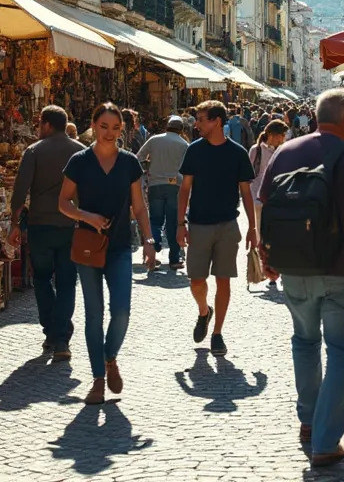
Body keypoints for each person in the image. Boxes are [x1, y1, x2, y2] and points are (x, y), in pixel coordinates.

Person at [258, 87, 344, 469]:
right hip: (340, 269)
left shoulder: (286, 151)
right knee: (339, 351)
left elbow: (267, 207)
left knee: (303, 342)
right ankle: (326, 440)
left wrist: (266, 254)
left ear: (317, 117)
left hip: (295, 270)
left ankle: (307, 420)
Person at [59, 103, 157, 405]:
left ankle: (110, 357)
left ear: (121, 130)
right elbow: (63, 203)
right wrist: (86, 217)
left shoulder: (129, 163)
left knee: (122, 312)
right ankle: (98, 379)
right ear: (93, 125)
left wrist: (150, 240)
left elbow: (138, 206)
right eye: (104, 127)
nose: (109, 133)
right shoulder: (79, 161)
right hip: (88, 247)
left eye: (116, 128)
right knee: (93, 316)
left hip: (119, 247)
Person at [177, 100, 257, 357]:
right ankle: (204, 311)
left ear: (217, 122)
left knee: (224, 281)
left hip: (226, 225)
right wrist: (180, 223)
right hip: (199, 223)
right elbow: (185, 189)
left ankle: (218, 333)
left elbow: (246, 193)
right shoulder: (194, 150)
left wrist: (253, 227)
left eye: (201, 119)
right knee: (196, 281)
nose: (196, 124)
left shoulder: (237, 153)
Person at [9, 105, 85, 358]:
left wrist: (13, 224)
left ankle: (52, 332)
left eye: (39, 123)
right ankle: (61, 339)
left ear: (47, 124)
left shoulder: (34, 151)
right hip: (70, 226)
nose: (38, 128)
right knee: (66, 282)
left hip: (41, 225)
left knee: (41, 278)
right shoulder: (81, 152)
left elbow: (20, 191)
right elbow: (87, 193)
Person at [137, 116, 190, 270]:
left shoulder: (154, 140)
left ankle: (154, 248)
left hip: (155, 184)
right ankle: (174, 259)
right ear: (181, 129)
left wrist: (148, 167)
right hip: (175, 186)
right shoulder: (184, 145)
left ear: (167, 126)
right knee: (173, 222)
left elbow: (139, 157)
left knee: (155, 220)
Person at [248, 120, 289, 201]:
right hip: (257, 197)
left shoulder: (282, 150)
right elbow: (248, 174)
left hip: (275, 197)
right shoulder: (256, 150)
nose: (284, 138)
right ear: (271, 135)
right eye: (282, 135)